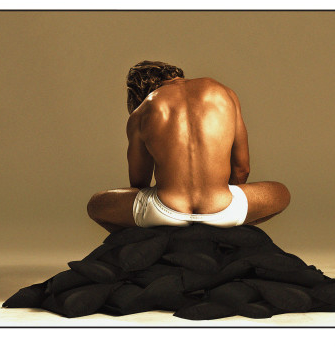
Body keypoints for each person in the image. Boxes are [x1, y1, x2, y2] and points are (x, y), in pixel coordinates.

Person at [87, 60, 290, 233]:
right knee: (282, 193)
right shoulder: (224, 92)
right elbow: (242, 169)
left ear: (138, 91)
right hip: (223, 210)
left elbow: (139, 185)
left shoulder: (141, 111)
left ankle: (152, 240)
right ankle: (224, 234)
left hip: (163, 212)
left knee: (95, 204)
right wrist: (221, 201)